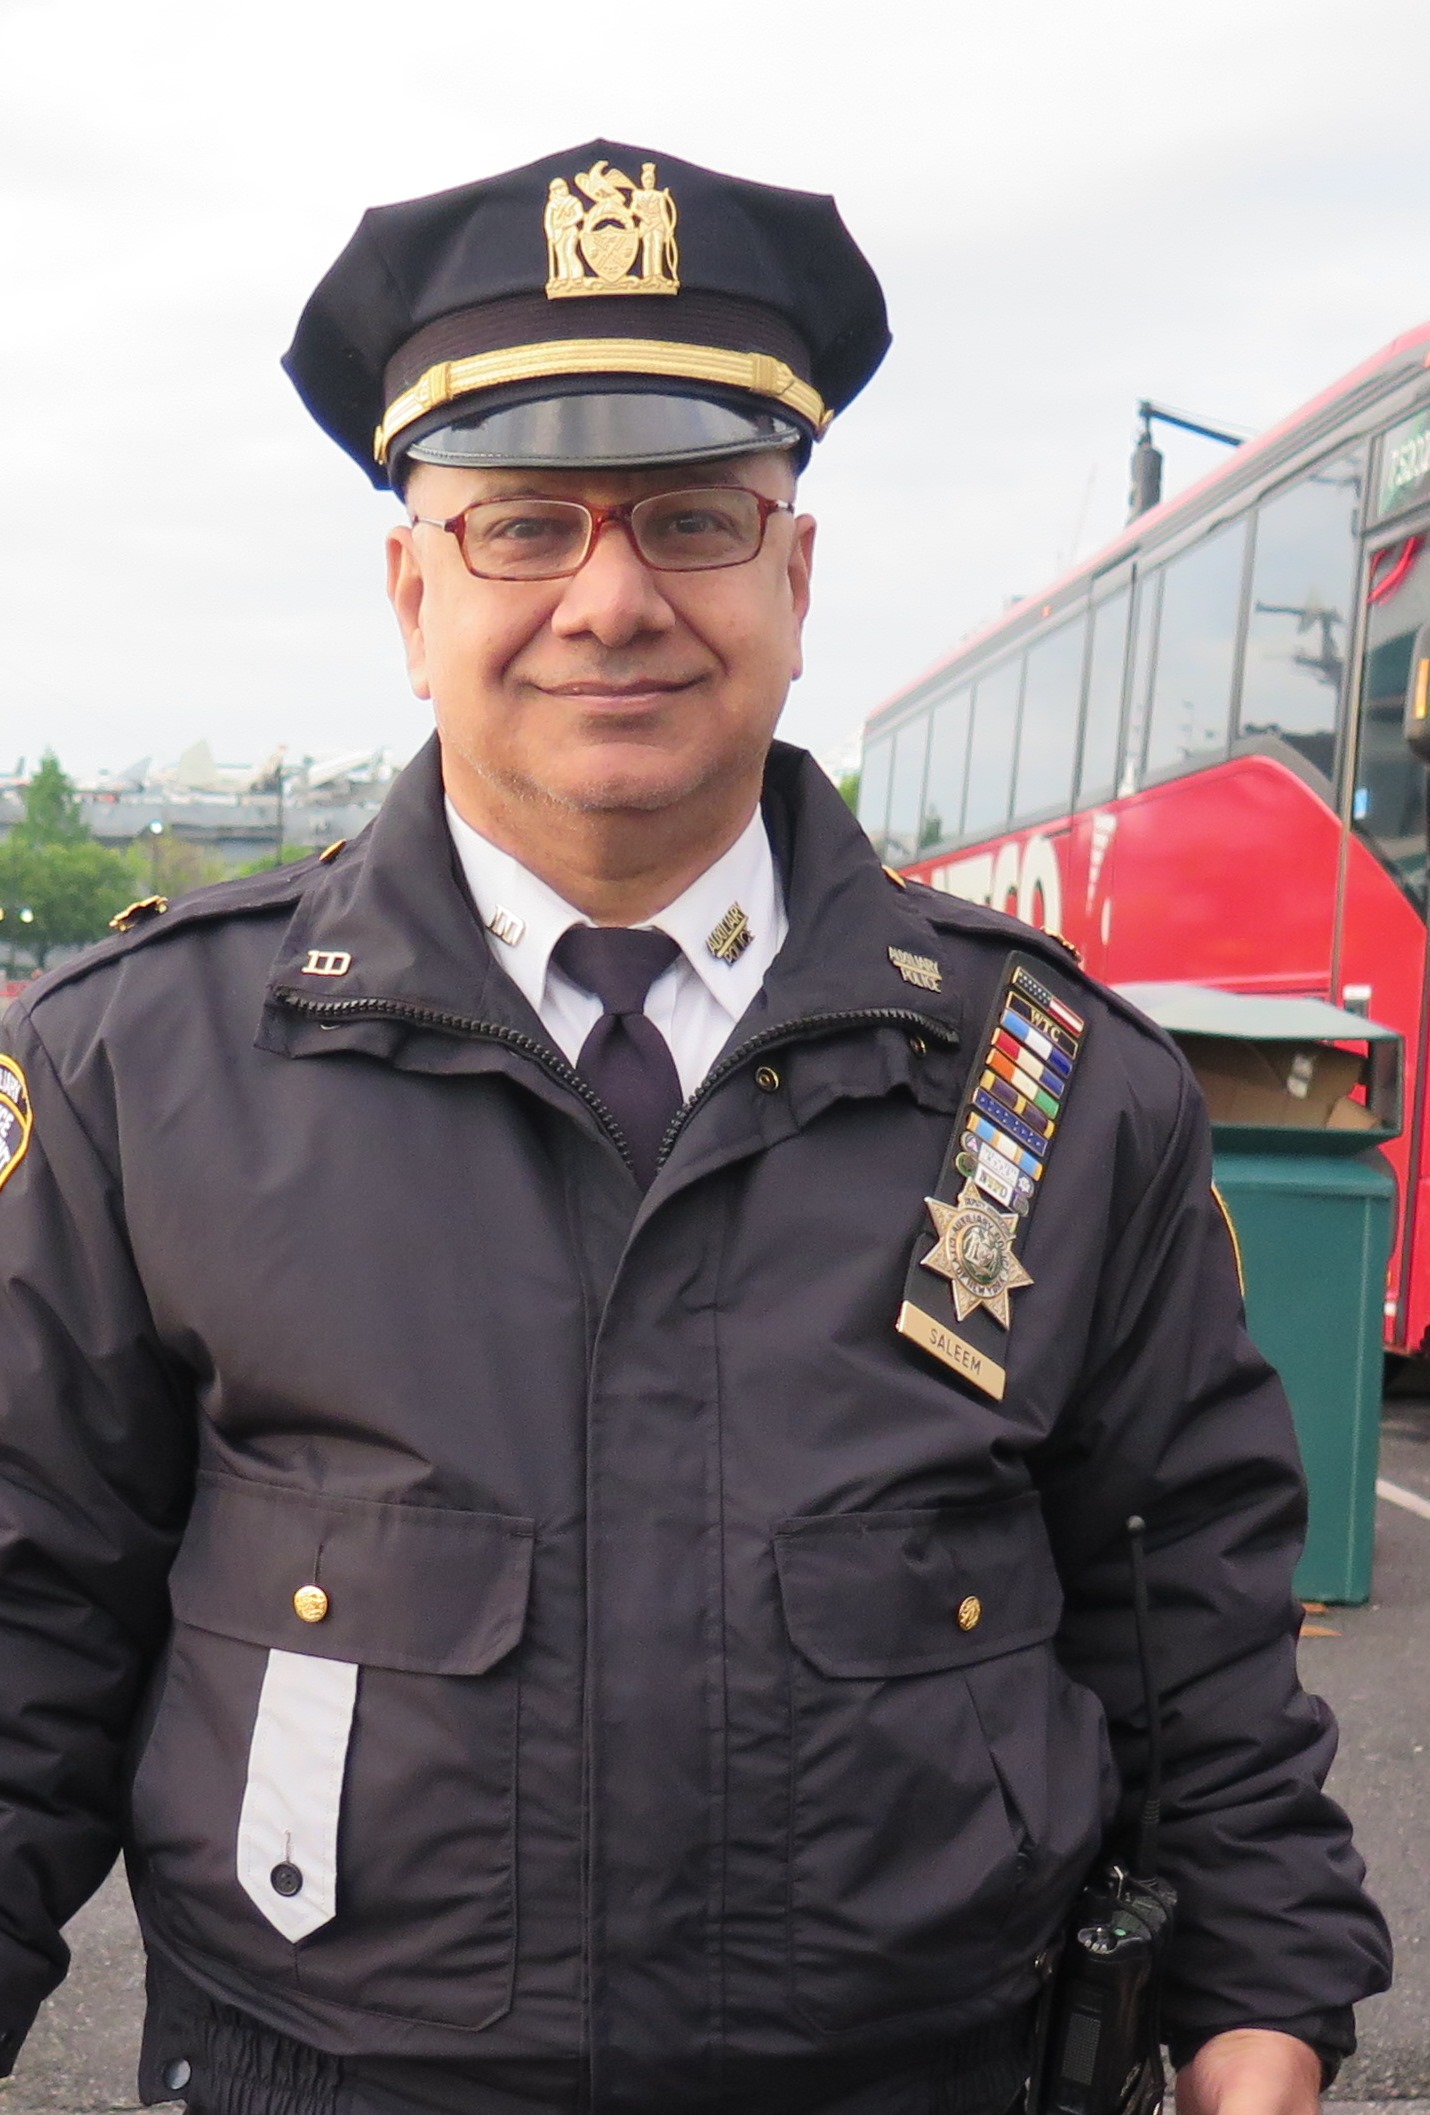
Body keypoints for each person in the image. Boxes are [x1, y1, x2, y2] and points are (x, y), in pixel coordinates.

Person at [0, 139, 1390, 2115]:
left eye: (690, 519)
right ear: (412, 591)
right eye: (524, 527)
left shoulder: (1065, 1084)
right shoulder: (144, 1070)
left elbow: (1192, 1626)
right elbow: (26, 1626)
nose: (612, 599)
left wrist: (1263, 2005)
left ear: (792, 579)